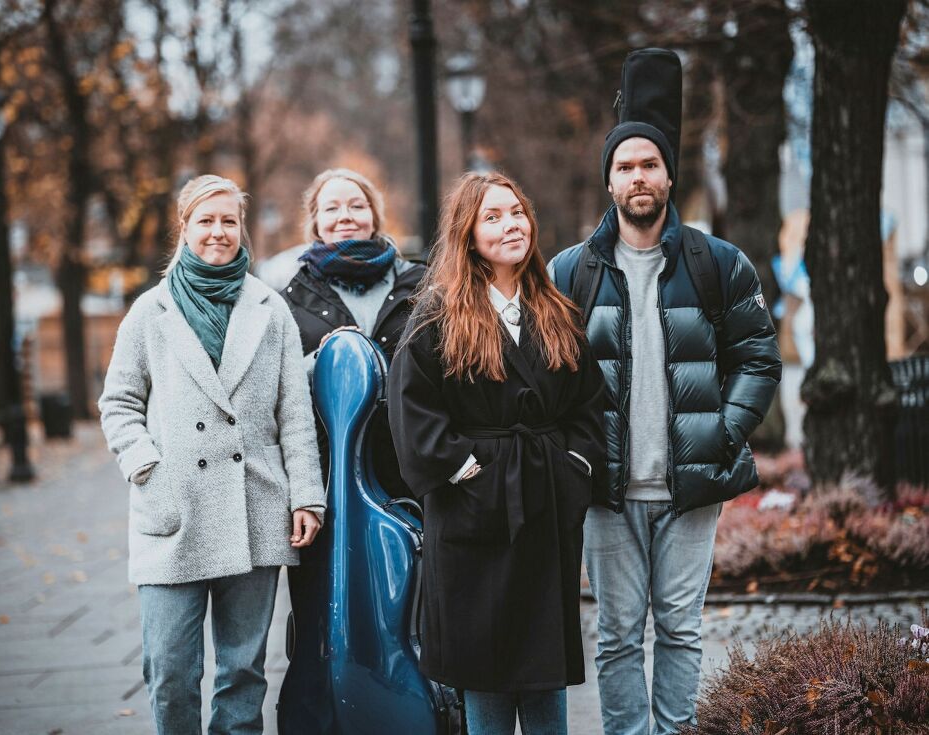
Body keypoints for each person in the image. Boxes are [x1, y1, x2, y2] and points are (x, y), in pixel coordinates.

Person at [549, 123, 782, 734]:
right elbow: (546, 378)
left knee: (680, 629)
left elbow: (758, 358)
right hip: (607, 489)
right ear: (609, 181)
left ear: (669, 174)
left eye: (649, 165)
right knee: (618, 635)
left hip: (690, 487)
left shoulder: (718, 263)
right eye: (625, 167)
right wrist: (578, 455)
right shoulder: (572, 272)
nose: (638, 177)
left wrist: (722, 434)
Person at [98, 174, 325, 735]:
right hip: (173, 512)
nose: (218, 232)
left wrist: (308, 498)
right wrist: (147, 468)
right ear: (185, 228)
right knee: (169, 669)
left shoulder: (270, 310)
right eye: (207, 220)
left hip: (255, 507)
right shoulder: (150, 313)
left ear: (240, 227)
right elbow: (118, 402)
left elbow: (293, 415)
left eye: (228, 220)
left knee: (242, 672)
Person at [388, 172, 608, 735]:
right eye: (493, 216)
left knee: (542, 665)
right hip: (472, 513)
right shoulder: (437, 315)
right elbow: (413, 411)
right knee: (483, 667)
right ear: (467, 233)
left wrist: (574, 468)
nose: (511, 225)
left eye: (517, 212)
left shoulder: (556, 310)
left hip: (544, 505)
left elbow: (587, 407)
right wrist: (464, 470)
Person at [281, 167, 425, 495]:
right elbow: (280, 390)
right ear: (315, 222)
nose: (345, 216)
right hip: (332, 477)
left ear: (374, 217)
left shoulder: (422, 285)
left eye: (357, 206)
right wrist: (323, 360)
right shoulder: (290, 300)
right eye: (332, 208)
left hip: (413, 474)